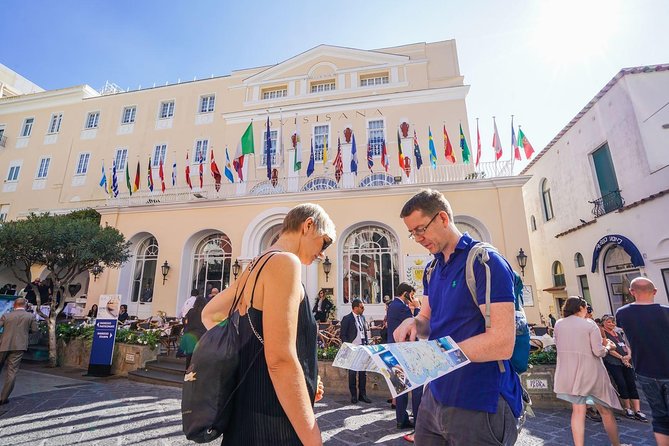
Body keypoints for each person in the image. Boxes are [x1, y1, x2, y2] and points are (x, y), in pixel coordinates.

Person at [394, 189, 522, 445]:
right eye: (412, 233)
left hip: (480, 400)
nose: (417, 239)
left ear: (442, 218)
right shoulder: (431, 269)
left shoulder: (486, 262)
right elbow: (426, 322)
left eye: (420, 229)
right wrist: (413, 322)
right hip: (435, 396)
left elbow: (502, 342)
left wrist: (438, 354)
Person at [201, 203, 333, 445]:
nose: (322, 253)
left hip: (245, 410)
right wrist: (312, 437)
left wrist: (305, 377)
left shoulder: (255, 265)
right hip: (274, 419)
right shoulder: (285, 263)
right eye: (324, 242)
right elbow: (280, 360)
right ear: (308, 225)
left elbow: (210, 314)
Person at [553, 296, 622, 446]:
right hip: (591, 373)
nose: (587, 311)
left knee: (578, 412)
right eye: (586, 308)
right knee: (605, 411)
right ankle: (616, 444)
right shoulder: (589, 325)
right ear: (580, 308)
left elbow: (557, 345)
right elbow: (598, 352)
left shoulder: (559, 324)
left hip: (570, 372)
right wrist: (609, 347)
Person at [616, 277, 669, 446]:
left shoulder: (622, 313)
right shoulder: (666, 311)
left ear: (632, 292)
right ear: (654, 291)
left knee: (659, 416)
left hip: (644, 370)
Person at [387, 282, 423, 438]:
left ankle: (401, 419)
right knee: (416, 385)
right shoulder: (401, 307)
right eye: (412, 295)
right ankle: (418, 419)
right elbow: (416, 324)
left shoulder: (393, 305)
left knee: (401, 386)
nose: (412, 298)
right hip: (405, 351)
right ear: (406, 293)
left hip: (395, 350)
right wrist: (418, 308)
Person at [600, 313, 646, 421]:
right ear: (604, 323)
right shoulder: (603, 334)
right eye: (609, 322)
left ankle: (637, 410)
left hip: (626, 361)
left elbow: (625, 345)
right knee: (622, 383)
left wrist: (628, 355)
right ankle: (627, 408)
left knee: (631, 383)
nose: (612, 324)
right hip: (614, 362)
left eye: (613, 322)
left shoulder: (618, 333)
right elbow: (608, 348)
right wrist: (622, 357)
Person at [0, 298, 39, 404]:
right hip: (19, 346)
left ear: (14, 305)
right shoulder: (30, 316)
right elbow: (35, 330)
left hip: (3, 344)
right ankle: (3, 398)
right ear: (25, 305)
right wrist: (25, 331)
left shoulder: (7, 315)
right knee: (12, 371)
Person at [340, 298, 372, 404]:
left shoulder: (362, 318)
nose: (364, 309)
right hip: (352, 348)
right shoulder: (347, 318)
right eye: (362, 307)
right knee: (352, 373)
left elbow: (364, 332)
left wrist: (366, 344)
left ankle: (363, 395)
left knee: (363, 373)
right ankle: (353, 395)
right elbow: (343, 334)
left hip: (362, 347)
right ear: (355, 308)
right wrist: (348, 346)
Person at [182, 295, 207, 369]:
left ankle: (188, 371)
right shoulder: (205, 312)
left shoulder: (191, 311)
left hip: (191, 335)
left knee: (189, 355)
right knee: (200, 355)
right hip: (202, 335)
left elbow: (185, 321)